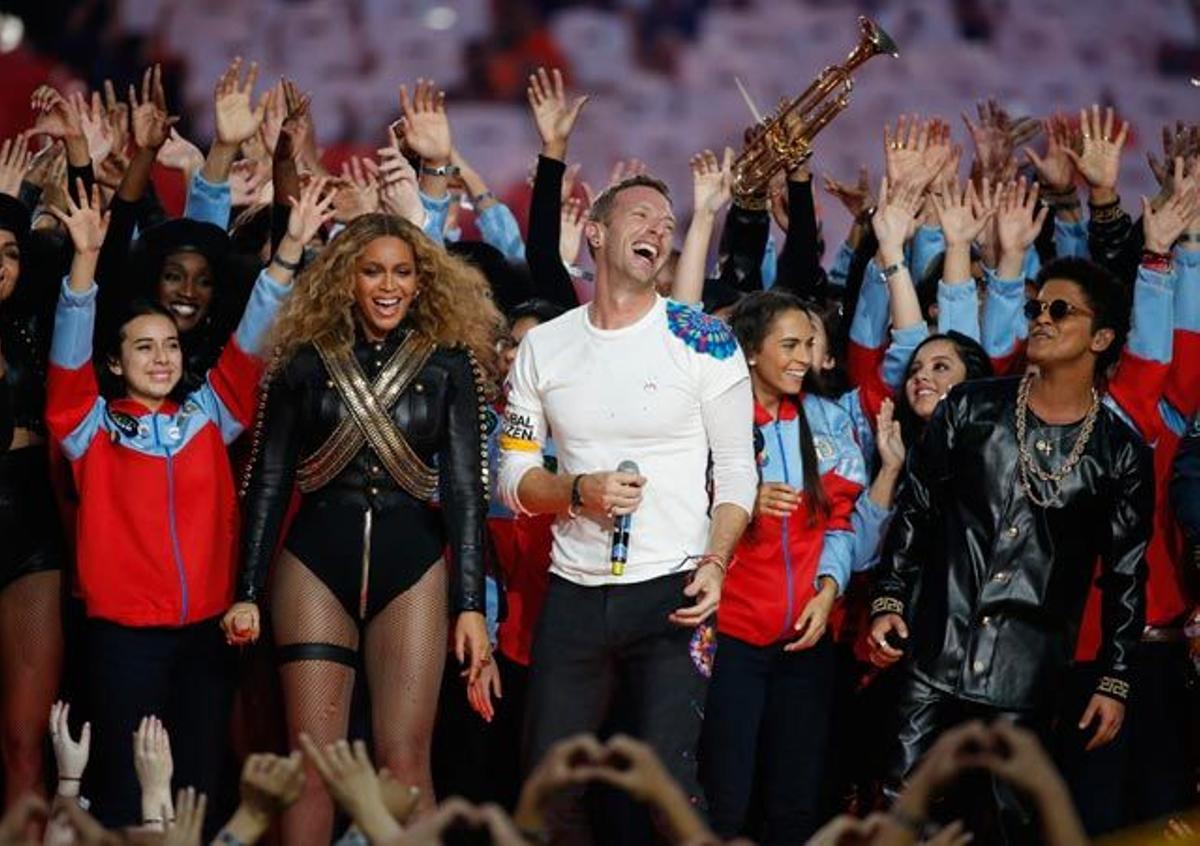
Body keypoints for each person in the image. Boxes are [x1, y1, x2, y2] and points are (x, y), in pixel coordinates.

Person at [44, 178, 324, 831]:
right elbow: (65, 360)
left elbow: (252, 336)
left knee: (198, 784)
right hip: (124, 640)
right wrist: (83, 264)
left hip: (206, 634)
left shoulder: (208, 416)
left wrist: (287, 251)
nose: (162, 356)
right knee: (127, 789)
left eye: (170, 344)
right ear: (113, 364)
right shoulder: (91, 429)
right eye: (143, 346)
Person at [498, 160, 757, 842]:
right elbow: (513, 479)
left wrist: (717, 562)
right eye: (641, 216)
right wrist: (576, 493)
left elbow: (736, 473)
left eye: (668, 225)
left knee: (670, 789)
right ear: (595, 231)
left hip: (674, 592)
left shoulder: (702, 339)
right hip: (576, 594)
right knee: (549, 788)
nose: (659, 230)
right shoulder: (545, 348)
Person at [232, 211, 499, 844]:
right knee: (315, 764)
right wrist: (245, 591)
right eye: (372, 270)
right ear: (344, 278)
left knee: (404, 761)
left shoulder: (449, 363)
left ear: (421, 282)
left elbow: (466, 490)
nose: (388, 285)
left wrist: (470, 605)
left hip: (413, 571)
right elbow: (267, 484)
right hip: (313, 569)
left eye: (403, 273)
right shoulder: (300, 361)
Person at [868, 256, 1153, 840]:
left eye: (1059, 310)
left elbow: (1126, 574)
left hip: (1025, 677)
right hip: (934, 651)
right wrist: (890, 598)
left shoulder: (1121, 452)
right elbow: (916, 512)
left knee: (1005, 825)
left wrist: (1115, 679)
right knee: (899, 814)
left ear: (1101, 337)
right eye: (1034, 309)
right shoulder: (971, 408)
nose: (1040, 320)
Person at [700, 290, 867, 843]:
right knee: (725, 800)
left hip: (805, 643)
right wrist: (740, 501)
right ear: (750, 351)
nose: (803, 357)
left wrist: (828, 589)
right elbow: (675, 517)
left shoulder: (824, 421)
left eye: (810, 344)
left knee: (794, 804)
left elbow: (841, 521)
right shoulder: (709, 421)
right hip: (731, 641)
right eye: (789, 344)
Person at [0, 188, 65, 807]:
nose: (0, 265)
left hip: (31, 531)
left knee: (25, 740)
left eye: (10, 252)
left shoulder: (32, 324)